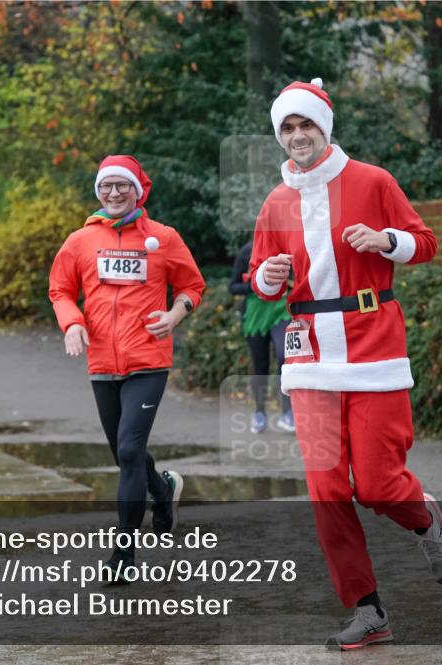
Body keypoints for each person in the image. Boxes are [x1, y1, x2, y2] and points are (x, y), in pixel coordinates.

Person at [248, 78, 442, 649]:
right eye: (287, 128)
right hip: (309, 356)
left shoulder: (371, 180)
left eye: (306, 125)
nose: (297, 136)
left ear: (325, 128)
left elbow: (426, 241)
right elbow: (263, 275)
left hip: (373, 349)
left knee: (377, 485)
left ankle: (423, 518)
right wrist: (265, 278)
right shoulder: (275, 200)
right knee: (325, 491)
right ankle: (368, 610)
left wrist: (387, 239)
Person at [49, 155, 206, 579]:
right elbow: (60, 289)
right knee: (125, 454)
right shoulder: (80, 241)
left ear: (138, 190)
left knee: (131, 449)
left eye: (123, 186)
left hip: (148, 360)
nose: (114, 193)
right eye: (106, 186)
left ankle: (123, 554)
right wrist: (72, 324)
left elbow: (193, 285)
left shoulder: (163, 237)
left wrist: (175, 315)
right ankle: (163, 488)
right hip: (102, 362)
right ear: (97, 190)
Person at [229, 240, 294, 433]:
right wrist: (257, 283)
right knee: (260, 366)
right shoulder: (246, 252)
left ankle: (288, 413)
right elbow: (232, 287)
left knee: (285, 357)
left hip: (280, 312)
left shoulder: (288, 249)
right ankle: (259, 413)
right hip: (255, 315)